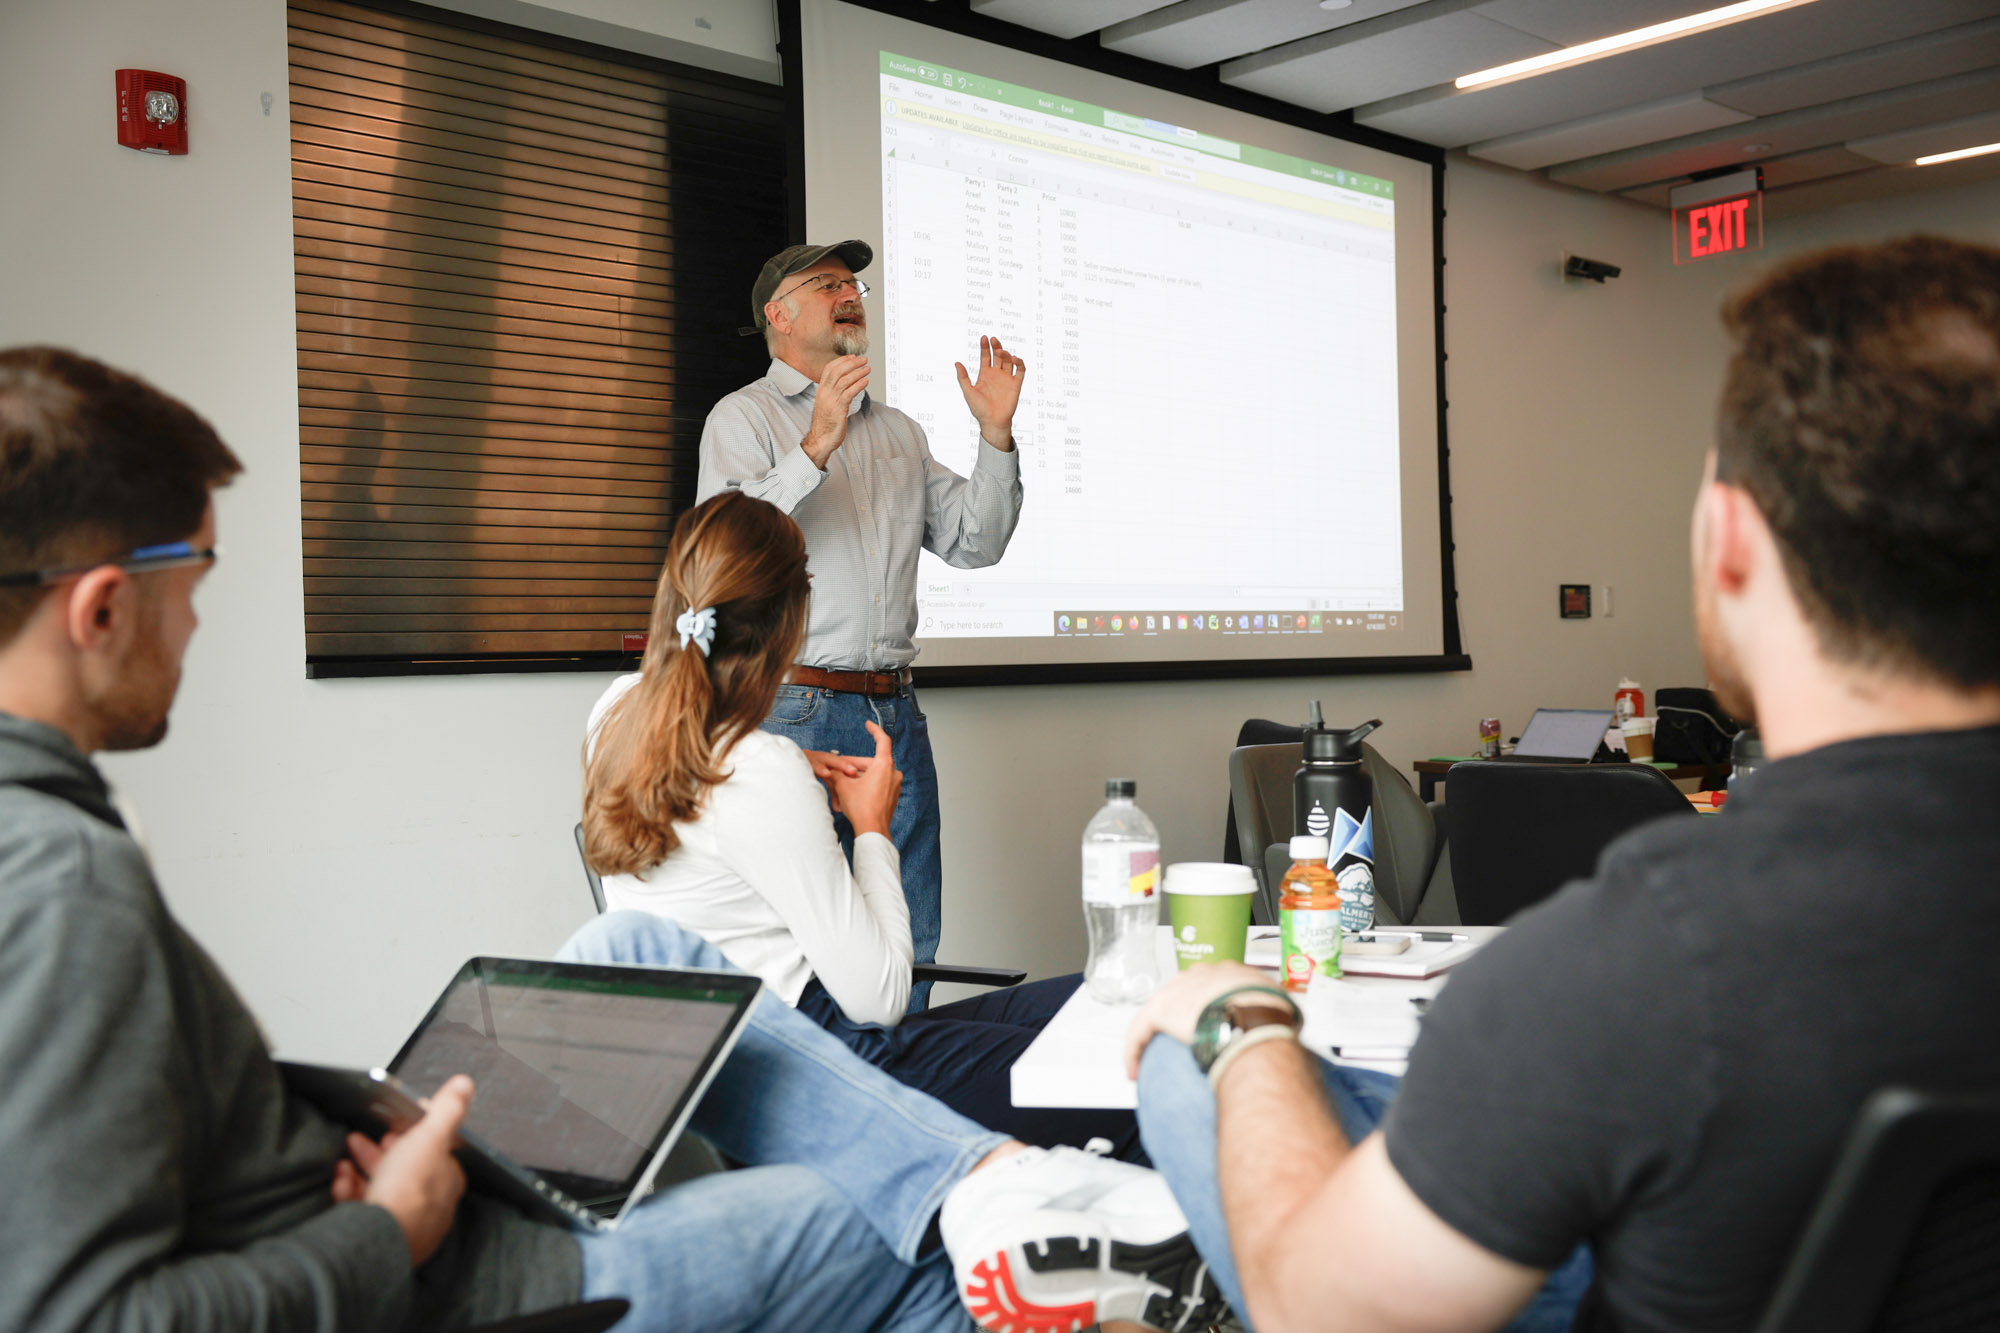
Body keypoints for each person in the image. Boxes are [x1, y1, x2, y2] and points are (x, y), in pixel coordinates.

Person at [0, 346, 1226, 1333]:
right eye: (194, 576)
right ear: (101, 606)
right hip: (461, 1278)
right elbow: (82, 1309)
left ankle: (990, 1186)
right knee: (865, 1219)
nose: (202, 614)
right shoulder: (63, 886)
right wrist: (387, 1229)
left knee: (635, 932)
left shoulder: (46, 840)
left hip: (407, 1183)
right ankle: (1007, 1205)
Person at [1105, 235, 2000, 1333]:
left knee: (1199, 1064)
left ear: (1728, 542)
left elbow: (1325, 1315)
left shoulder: (1631, 964)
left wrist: (1242, 1018)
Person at [583, 489, 1141, 1159]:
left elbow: (706, 786)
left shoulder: (615, 715)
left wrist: (795, 762)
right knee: (1129, 1066)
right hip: (825, 1068)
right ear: (794, 617)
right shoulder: (760, 771)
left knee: (1103, 999)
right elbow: (879, 998)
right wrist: (872, 826)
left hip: (734, 1063)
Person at [698, 239, 1026, 1010]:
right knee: (801, 940)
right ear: (778, 316)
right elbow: (723, 548)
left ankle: (907, 1102)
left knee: (908, 934)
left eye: (855, 284)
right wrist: (815, 442)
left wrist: (996, 437)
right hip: (791, 710)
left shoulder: (900, 432)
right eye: (826, 283)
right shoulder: (740, 419)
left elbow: (976, 542)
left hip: (894, 713)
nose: (850, 293)